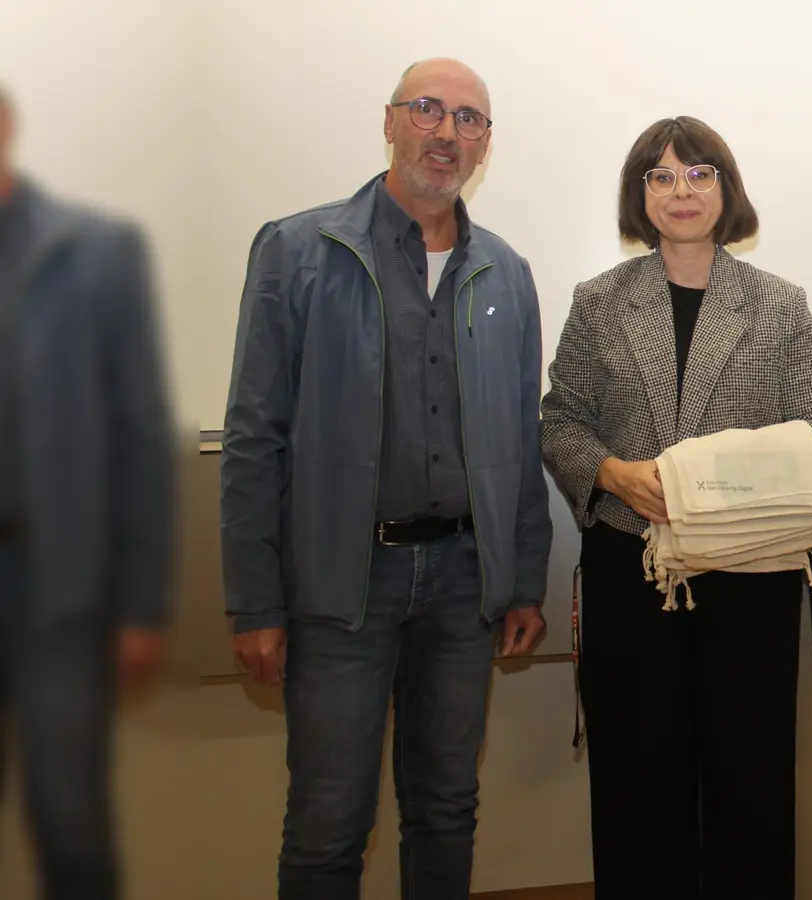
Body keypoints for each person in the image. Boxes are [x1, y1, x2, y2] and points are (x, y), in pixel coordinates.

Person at [220, 58, 552, 899]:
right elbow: (255, 437)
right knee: (330, 821)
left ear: (485, 143)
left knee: (446, 808)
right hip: (341, 586)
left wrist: (522, 579)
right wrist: (254, 601)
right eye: (428, 110)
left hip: (461, 588)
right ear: (391, 121)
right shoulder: (300, 251)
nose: (447, 133)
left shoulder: (506, 273)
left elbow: (518, 432)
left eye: (468, 119)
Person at [540, 115, 812, 899]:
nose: (682, 191)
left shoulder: (779, 304)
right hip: (629, 569)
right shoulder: (600, 301)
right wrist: (610, 471)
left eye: (699, 173)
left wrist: (721, 477)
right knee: (638, 780)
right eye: (662, 176)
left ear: (726, 188)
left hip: (751, 576)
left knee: (751, 777)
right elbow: (560, 418)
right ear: (639, 196)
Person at [0, 82, 176, 900]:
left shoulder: (97, 252)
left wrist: (142, 602)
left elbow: (141, 435)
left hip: (56, 591)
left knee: (70, 822)